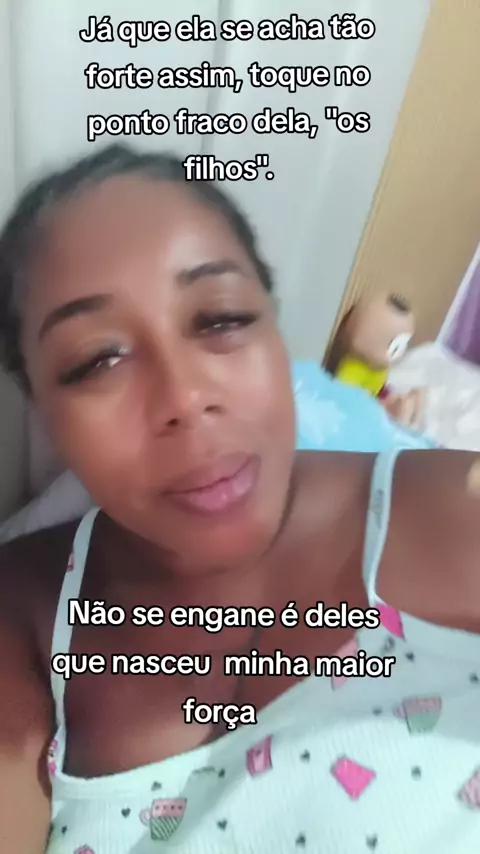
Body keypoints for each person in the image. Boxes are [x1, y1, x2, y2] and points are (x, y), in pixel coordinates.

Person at [0, 144, 478, 854]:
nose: (186, 398)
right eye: (98, 359)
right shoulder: (23, 617)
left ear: (272, 322)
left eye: (219, 319)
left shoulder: (448, 516)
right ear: (41, 408)